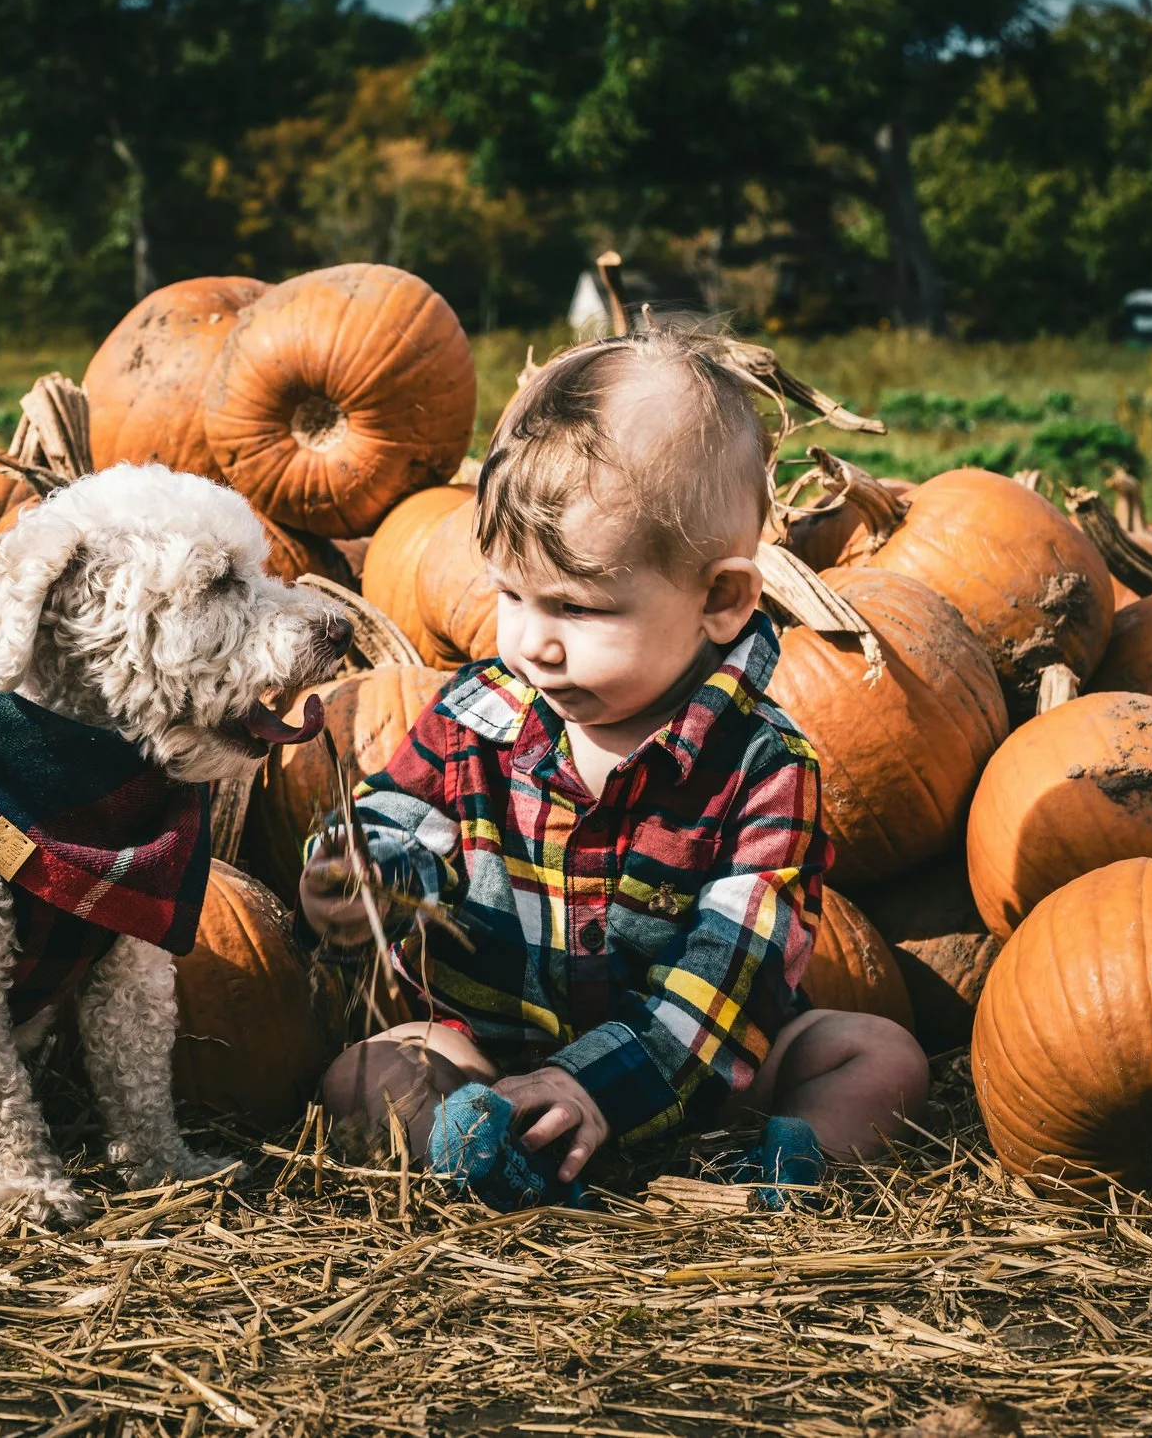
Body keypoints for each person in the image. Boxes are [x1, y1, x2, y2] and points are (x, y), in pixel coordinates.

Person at [299, 322, 929, 1208]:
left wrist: (595, 1085)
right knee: (366, 1073)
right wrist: (360, 874)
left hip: (700, 1078)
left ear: (720, 599)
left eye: (577, 607)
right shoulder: (480, 709)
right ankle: (483, 1149)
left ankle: (763, 1178)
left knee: (879, 1059)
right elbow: (404, 826)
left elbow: (729, 982)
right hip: (495, 1054)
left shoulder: (764, 765)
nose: (531, 642)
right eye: (510, 593)